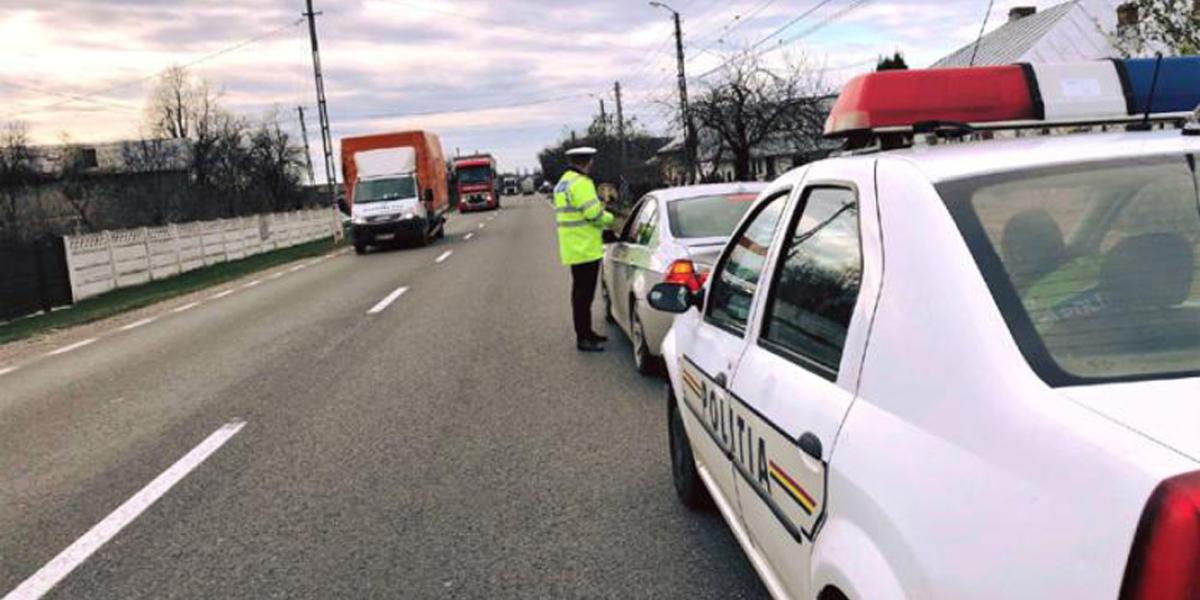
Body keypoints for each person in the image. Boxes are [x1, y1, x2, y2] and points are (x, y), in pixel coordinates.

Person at [554, 147, 615, 352]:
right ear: (588, 162)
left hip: (573, 247)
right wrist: (610, 219)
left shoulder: (563, 183)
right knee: (584, 296)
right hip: (585, 247)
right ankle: (584, 338)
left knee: (580, 295)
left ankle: (586, 332)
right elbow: (593, 214)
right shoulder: (582, 183)